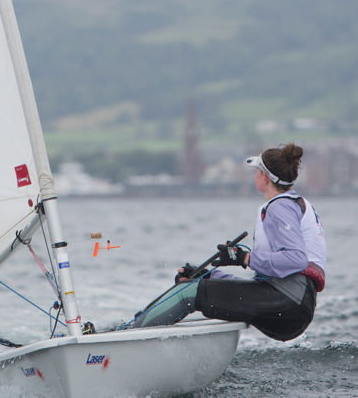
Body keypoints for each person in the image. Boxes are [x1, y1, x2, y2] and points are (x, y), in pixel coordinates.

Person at [133, 143, 326, 341]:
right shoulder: (294, 203)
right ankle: (135, 328)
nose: (255, 176)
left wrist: (245, 258)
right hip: (291, 303)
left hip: (288, 303)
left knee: (186, 292)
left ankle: (131, 336)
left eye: (257, 171)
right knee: (198, 281)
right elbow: (264, 283)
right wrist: (209, 275)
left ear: (264, 178)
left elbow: (296, 259)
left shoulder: (280, 208)